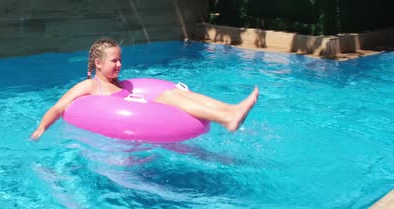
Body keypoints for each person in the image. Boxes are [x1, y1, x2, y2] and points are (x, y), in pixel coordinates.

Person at [30, 38, 259, 141]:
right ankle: (226, 117)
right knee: (170, 97)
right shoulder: (90, 85)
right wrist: (41, 129)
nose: (119, 65)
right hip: (120, 140)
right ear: (98, 63)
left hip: (143, 125)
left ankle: (229, 111)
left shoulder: (123, 84)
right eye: (114, 61)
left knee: (174, 92)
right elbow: (59, 108)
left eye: (120, 60)